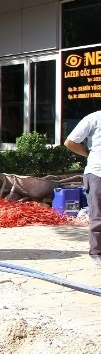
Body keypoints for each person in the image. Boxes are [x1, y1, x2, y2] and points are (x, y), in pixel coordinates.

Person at [64, 111, 101, 266]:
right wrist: (88, 155)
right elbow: (70, 141)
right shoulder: (94, 118)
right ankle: (97, 253)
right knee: (98, 216)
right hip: (97, 173)